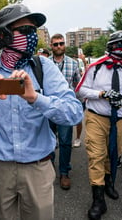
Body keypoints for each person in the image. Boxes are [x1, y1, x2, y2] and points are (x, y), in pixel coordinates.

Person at [0, 3, 83, 220]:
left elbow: (74, 113)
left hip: (38, 169)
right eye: (26, 31)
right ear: (3, 36)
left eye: (34, 30)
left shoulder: (43, 67)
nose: (33, 36)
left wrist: (35, 98)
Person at [76, 30, 122, 220]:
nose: (121, 49)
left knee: (114, 153)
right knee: (96, 155)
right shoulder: (96, 66)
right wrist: (102, 94)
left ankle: (108, 181)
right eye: (118, 45)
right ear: (110, 46)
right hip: (97, 117)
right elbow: (81, 89)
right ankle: (98, 199)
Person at [49, 33, 81, 190]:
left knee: (66, 141)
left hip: (65, 109)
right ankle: (48, 169)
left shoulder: (73, 64)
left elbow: (77, 85)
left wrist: (77, 106)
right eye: (55, 44)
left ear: (65, 45)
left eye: (61, 43)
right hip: (48, 108)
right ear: (51, 46)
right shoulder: (44, 63)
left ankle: (64, 172)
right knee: (47, 140)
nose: (58, 46)